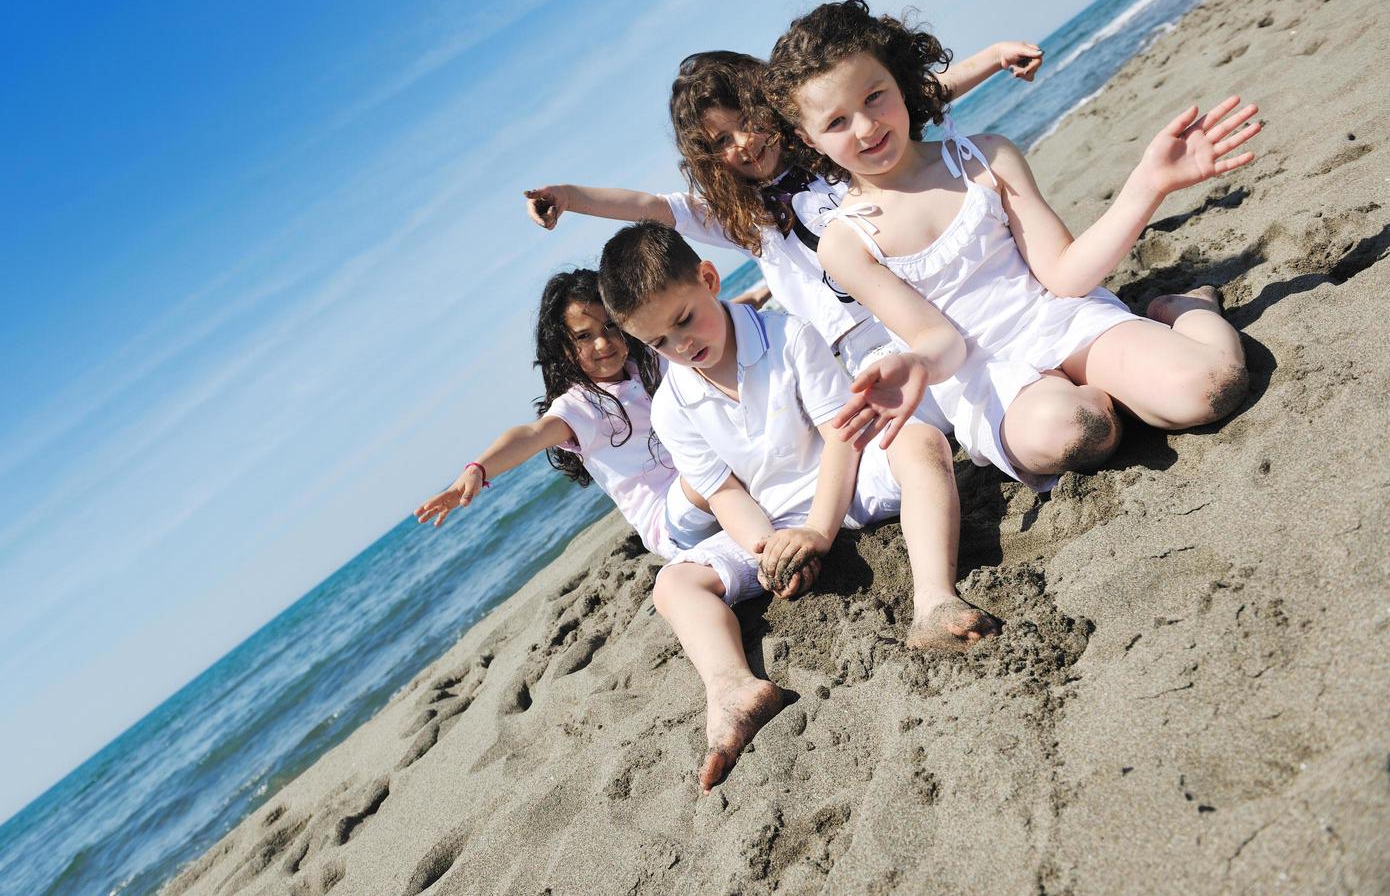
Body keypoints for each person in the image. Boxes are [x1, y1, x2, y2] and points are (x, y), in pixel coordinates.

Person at [763, 0, 1256, 489]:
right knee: (1080, 432)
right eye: (836, 122)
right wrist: (915, 362)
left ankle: (1184, 308)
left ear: (901, 81)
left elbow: (1065, 275)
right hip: (986, 373)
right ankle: (1106, 391)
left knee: (1213, 388)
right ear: (809, 141)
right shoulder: (846, 244)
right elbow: (943, 343)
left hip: (1062, 319)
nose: (867, 127)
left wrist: (1148, 185)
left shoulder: (985, 157)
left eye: (874, 96)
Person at [598, 220, 1000, 794]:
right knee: (673, 584)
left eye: (684, 320)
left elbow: (842, 434)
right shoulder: (672, 404)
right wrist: (769, 550)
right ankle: (732, 688)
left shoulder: (787, 337)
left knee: (920, 443)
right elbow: (724, 492)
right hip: (771, 517)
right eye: (659, 342)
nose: (681, 346)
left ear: (708, 279)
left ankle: (934, 599)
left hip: (845, 479)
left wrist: (818, 529)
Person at [524, 40, 1042, 396]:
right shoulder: (735, 214)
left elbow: (915, 98)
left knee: (1006, 370)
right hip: (858, 347)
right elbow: (648, 207)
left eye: (747, 122)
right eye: (721, 142)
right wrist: (569, 196)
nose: (743, 143)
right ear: (707, 158)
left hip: (928, 305)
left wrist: (995, 58)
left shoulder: (832, 152)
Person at [414, 269, 716, 560]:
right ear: (565, 348)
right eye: (584, 336)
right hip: (672, 519)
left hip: (708, 485)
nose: (602, 342)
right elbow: (532, 435)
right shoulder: (579, 406)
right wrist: (478, 469)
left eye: (610, 326)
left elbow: (705, 344)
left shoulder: (649, 360)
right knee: (715, 460)